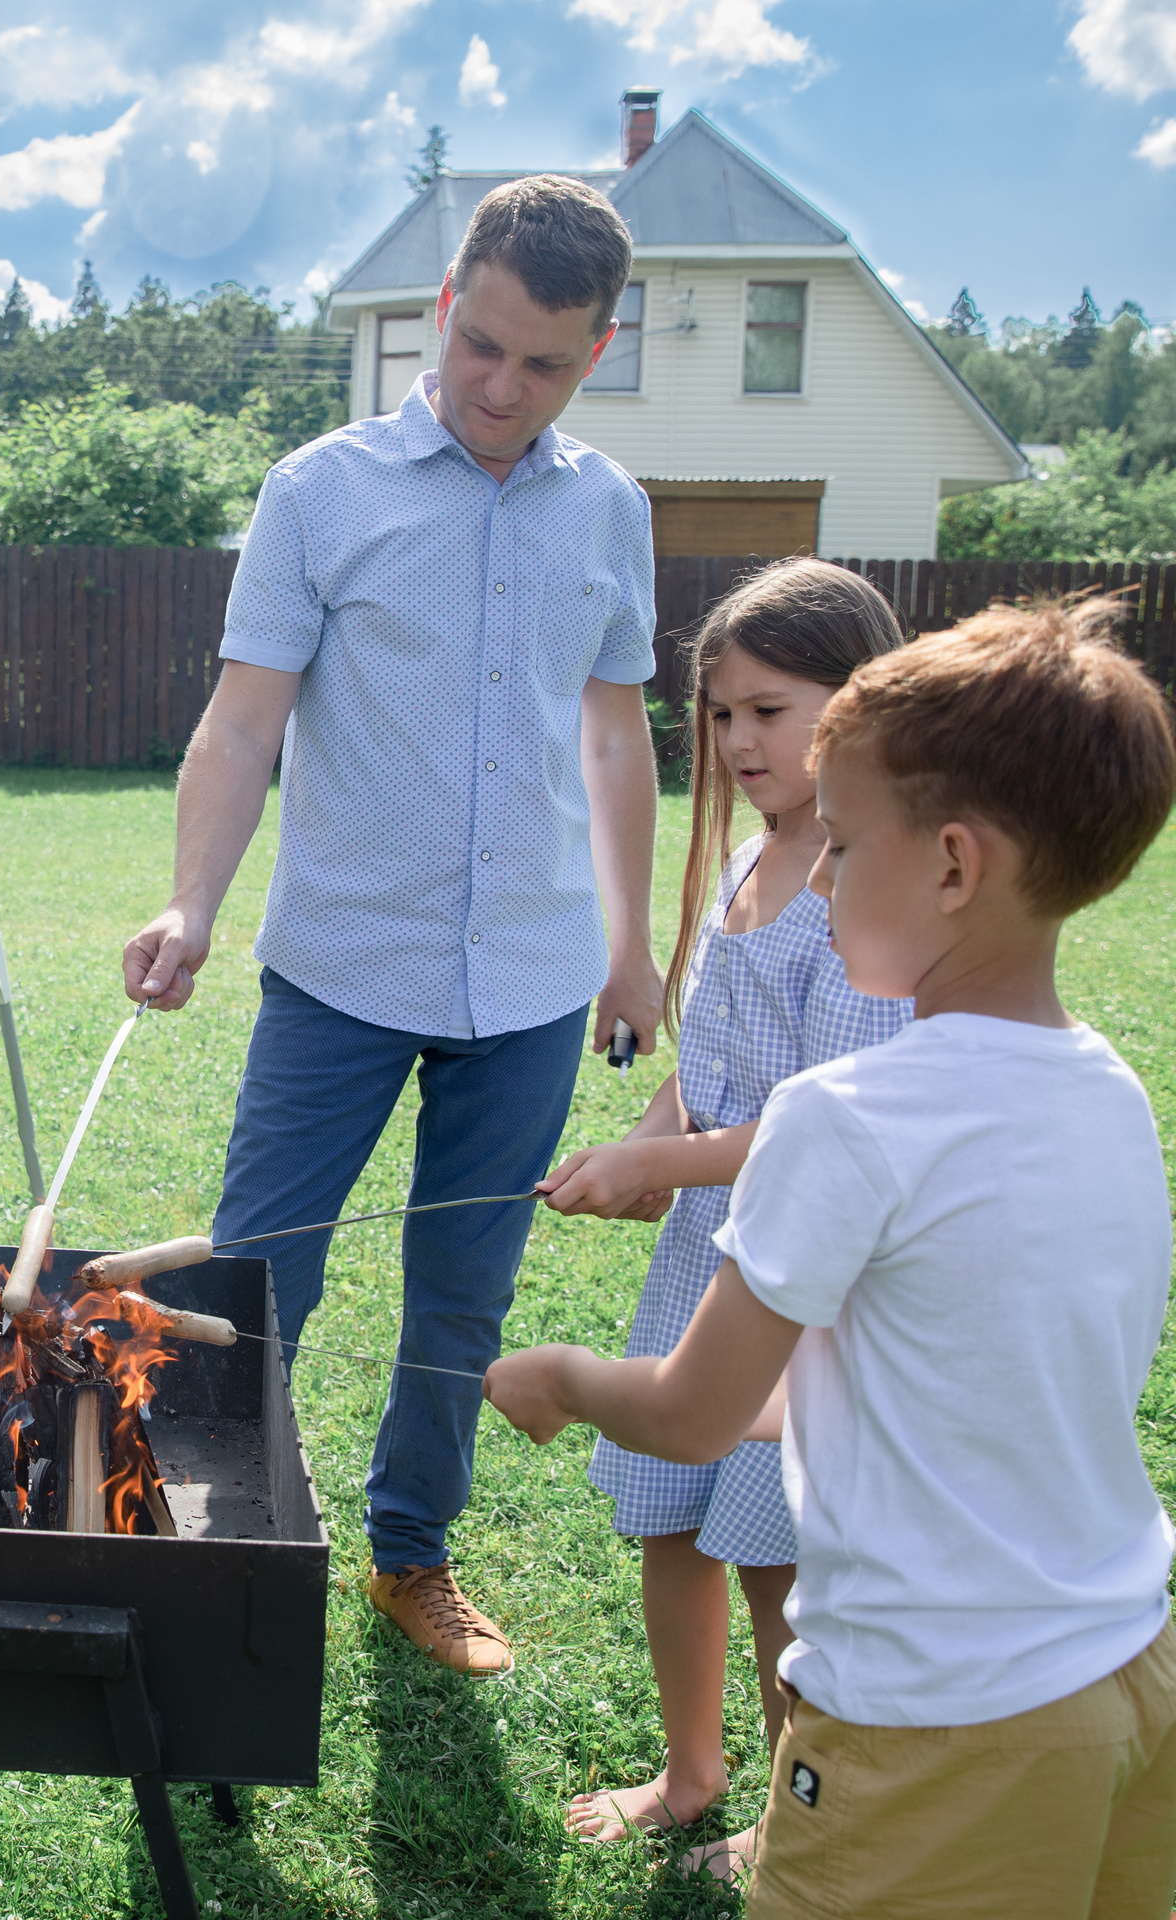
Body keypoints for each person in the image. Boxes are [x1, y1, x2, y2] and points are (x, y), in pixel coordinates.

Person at [486, 598, 1176, 1918]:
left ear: (955, 867)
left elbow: (690, 1415)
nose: (819, 869)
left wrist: (568, 1377)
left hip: (934, 1719)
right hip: (1126, 1666)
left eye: (845, 844)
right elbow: (965, 1368)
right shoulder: (1108, 1090)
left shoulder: (844, 1119)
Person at [121, 174, 663, 1676]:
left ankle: (411, 1553)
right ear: (445, 308)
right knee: (261, 1270)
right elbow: (242, 727)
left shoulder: (611, 511)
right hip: (341, 970)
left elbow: (617, 739)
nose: (500, 387)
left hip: (540, 980)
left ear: (595, 354)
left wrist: (630, 945)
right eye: (480, 345)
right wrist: (191, 898)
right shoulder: (321, 491)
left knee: (464, 1294)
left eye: (542, 364)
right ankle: (222, 1548)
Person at [540, 560, 911, 1869]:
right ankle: (692, 1774)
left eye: (773, 710)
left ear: (860, 705)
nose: (742, 740)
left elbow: (834, 1132)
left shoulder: (863, 889)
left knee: (772, 1568)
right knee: (673, 1524)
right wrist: (644, 1143)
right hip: (710, 1256)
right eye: (722, 715)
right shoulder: (754, 859)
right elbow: (709, 1063)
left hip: (796, 1280)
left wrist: (666, 1172)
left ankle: (791, 1819)